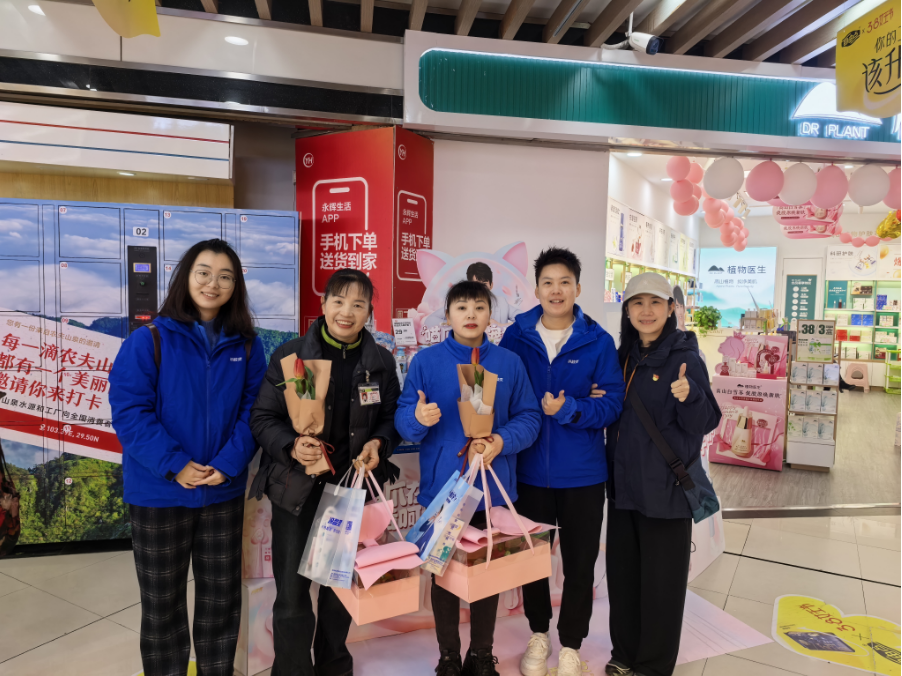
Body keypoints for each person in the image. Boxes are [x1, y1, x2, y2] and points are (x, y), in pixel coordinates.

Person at [109, 239, 266, 676]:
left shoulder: (247, 347)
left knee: (220, 601)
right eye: (203, 273)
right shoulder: (149, 341)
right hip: (159, 492)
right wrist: (175, 464)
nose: (213, 284)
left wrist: (228, 464)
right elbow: (130, 412)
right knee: (162, 605)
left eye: (225, 276)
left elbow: (255, 411)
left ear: (235, 286)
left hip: (221, 490)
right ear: (185, 277)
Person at [249, 268, 401, 676]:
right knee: (292, 593)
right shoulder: (292, 356)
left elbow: (391, 418)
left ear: (369, 311)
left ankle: (334, 666)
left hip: (349, 493)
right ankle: (293, 670)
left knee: (339, 589)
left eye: (358, 304)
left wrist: (379, 443)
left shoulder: (380, 362)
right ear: (323, 304)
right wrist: (291, 444)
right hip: (296, 490)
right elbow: (262, 417)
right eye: (339, 301)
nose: (346, 312)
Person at [395, 280, 542, 676]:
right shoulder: (425, 362)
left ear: (490, 315)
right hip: (443, 490)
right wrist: (417, 418)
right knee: (441, 572)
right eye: (461, 308)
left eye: (479, 307)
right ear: (447, 316)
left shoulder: (509, 363)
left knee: (485, 573)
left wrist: (500, 440)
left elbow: (530, 418)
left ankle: (481, 654)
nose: (471, 314)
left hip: (491, 489)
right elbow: (404, 421)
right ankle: (448, 656)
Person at [499, 247, 625, 676]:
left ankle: (571, 643)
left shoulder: (598, 341)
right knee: (532, 562)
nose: (556, 290)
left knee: (579, 564)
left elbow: (612, 405)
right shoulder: (516, 337)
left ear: (578, 288)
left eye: (564, 282)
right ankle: (538, 634)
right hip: (528, 472)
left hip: (583, 474)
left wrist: (570, 408)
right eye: (548, 283)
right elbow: (500, 391)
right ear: (536, 289)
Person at [603, 273, 721, 676]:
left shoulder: (685, 356)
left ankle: (652, 666)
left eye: (655, 302)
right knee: (623, 579)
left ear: (671, 308)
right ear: (627, 311)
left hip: (667, 493)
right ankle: (624, 654)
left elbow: (707, 421)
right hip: (623, 490)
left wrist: (691, 397)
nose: (646, 311)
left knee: (661, 587)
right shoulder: (622, 356)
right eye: (638, 303)